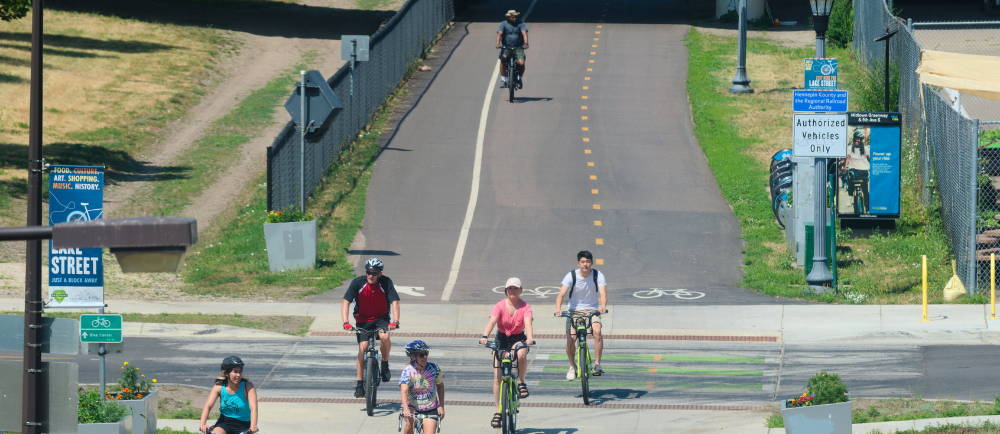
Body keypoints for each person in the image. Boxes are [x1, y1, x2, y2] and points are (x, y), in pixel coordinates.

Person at [479, 277, 534, 429]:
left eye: (515, 288)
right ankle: (498, 411)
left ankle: (522, 382)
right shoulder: (499, 306)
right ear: (505, 291)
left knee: (521, 353)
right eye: (510, 288)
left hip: (518, 338)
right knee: (497, 377)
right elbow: (492, 321)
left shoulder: (525, 307)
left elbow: (528, 323)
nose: (512, 291)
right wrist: (485, 336)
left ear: (521, 290)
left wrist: (529, 338)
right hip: (501, 340)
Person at [342, 257, 401, 398]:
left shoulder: (386, 282)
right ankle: (359, 384)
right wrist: (345, 321)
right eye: (368, 272)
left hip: (381, 319)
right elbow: (346, 301)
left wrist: (395, 321)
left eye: (374, 273)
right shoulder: (358, 283)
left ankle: (385, 364)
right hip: (362, 320)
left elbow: (394, 302)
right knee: (362, 348)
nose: (371, 275)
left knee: (385, 336)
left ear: (380, 273)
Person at [554, 250, 608, 380]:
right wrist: (558, 309)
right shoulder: (571, 275)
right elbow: (561, 294)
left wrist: (603, 306)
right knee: (571, 339)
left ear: (592, 263)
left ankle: (597, 364)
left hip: (592, 310)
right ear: (578, 263)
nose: (585, 264)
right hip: (574, 311)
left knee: (597, 331)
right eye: (583, 262)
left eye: (588, 262)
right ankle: (572, 366)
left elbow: (602, 294)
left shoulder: (597, 275)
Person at [199, 356, 259, 434]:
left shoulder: (247, 386)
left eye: (240, 372)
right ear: (226, 373)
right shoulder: (219, 387)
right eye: (235, 372)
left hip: (244, 424)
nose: (238, 375)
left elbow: (253, 408)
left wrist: (253, 426)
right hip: (224, 422)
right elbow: (208, 406)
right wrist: (202, 425)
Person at [399, 340, 445, 434]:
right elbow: (404, 391)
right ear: (413, 357)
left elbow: (440, 386)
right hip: (412, 407)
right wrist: (406, 408)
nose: (424, 357)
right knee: (409, 425)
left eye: (426, 354)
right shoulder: (407, 371)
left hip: (430, 408)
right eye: (421, 355)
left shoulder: (434, 368)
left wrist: (441, 406)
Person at [496, 9, 529, 89]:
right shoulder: (503, 24)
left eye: (515, 16)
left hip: (518, 47)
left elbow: (524, 34)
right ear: (508, 17)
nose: (514, 18)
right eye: (512, 16)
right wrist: (498, 43)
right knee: (503, 60)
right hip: (506, 47)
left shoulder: (521, 24)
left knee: (521, 63)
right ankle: (504, 80)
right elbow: (499, 34)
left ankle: (519, 78)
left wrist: (526, 43)